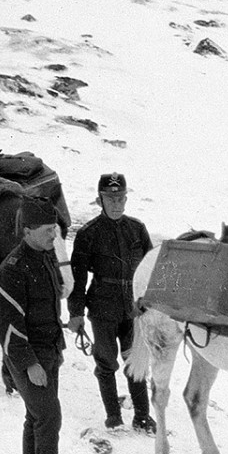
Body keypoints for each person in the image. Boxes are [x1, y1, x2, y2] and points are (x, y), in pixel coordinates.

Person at [67, 173, 155, 433]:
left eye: (120, 198)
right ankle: (114, 418)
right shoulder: (88, 234)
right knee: (106, 363)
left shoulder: (137, 229)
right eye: (109, 198)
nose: (115, 203)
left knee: (136, 362)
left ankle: (142, 417)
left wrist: (151, 305)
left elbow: (150, 268)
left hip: (134, 309)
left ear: (126, 199)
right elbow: (79, 277)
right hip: (103, 308)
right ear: (100, 200)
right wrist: (76, 313)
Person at [0, 196, 68, 454]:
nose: (54, 235)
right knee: (49, 416)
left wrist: (57, 348)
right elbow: (8, 326)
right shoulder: (12, 269)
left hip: (49, 350)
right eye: (48, 230)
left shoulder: (46, 257)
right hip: (28, 355)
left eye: (54, 228)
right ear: (27, 231)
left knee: (35, 416)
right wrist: (29, 364)